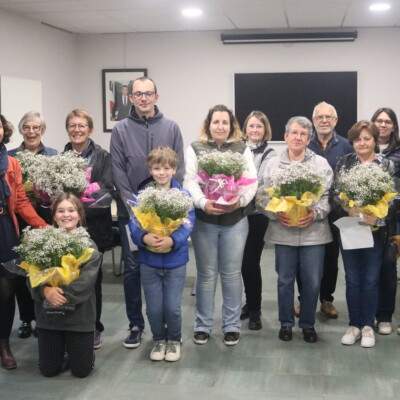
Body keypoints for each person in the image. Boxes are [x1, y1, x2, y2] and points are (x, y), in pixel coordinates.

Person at [110, 76, 184, 349]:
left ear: (156, 96)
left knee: (164, 267)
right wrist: (137, 208)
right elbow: (117, 170)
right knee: (132, 270)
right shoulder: (120, 130)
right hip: (132, 214)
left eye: (148, 93)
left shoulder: (171, 127)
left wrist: (168, 209)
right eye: (138, 94)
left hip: (167, 214)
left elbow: (180, 168)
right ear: (130, 97)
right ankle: (135, 325)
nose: (143, 98)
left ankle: (166, 327)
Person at [183, 104, 257, 346]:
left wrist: (240, 201)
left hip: (235, 220)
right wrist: (203, 203)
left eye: (225, 122)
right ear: (208, 124)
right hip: (205, 220)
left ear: (232, 126)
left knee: (232, 275)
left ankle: (231, 326)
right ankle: (203, 325)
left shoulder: (242, 148)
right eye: (216, 122)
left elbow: (251, 182)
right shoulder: (195, 148)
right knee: (205, 275)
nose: (220, 126)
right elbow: (190, 181)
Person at [257, 116, 333, 343]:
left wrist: (314, 213)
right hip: (283, 231)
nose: (298, 137)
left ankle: (308, 324)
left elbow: (327, 198)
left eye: (303, 134)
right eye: (294, 133)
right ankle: (286, 323)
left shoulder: (320, 164)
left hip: (314, 233)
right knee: (284, 280)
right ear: (286, 135)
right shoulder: (271, 164)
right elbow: (261, 196)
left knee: (312, 281)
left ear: (309, 138)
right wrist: (275, 212)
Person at [331, 121, 397, 348]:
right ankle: (354, 325)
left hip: (375, 231)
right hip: (350, 228)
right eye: (358, 139)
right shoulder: (344, 162)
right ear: (353, 142)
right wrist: (347, 207)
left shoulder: (386, 165)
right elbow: (334, 194)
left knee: (370, 279)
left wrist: (376, 218)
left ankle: (368, 325)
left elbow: (395, 198)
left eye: (367, 138)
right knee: (352, 279)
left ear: (375, 140)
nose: (362, 143)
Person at [129, 147, 195, 362]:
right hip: (149, 260)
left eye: (166, 168)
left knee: (173, 308)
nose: (161, 173)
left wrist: (172, 240)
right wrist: (143, 238)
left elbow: (188, 222)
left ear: (174, 169)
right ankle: (159, 339)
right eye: (156, 168)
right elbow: (134, 221)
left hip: (175, 261)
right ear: (150, 169)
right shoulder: (143, 195)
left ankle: (174, 340)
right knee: (154, 308)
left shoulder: (183, 195)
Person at [29, 193, 101, 377]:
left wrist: (59, 295)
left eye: (71, 210)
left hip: (79, 318)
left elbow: (85, 283)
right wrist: (45, 290)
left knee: (81, 371)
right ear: (53, 216)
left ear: (80, 214)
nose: (66, 215)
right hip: (49, 316)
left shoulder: (89, 245)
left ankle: (82, 352)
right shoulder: (41, 243)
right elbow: (31, 275)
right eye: (60, 211)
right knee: (49, 370)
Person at [295, 102, 354, 320]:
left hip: (337, 212)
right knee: (304, 258)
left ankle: (326, 300)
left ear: (336, 121)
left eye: (328, 117)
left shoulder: (346, 146)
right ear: (313, 121)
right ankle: (304, 299)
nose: (324, 121)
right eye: (319, 117)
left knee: (330, 257)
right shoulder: (305, 144)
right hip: (307, 211)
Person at [0, 114, 47, 370]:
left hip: (5, 229)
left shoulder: (11, 163)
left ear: (3, 131)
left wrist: (44, 226)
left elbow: (19, 202)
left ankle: (4, 344)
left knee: (7, 291)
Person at [64, 109, 113, 349]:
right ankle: (68, 325)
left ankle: (94, 327)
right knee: (66, 277)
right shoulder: (61, 156)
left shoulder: (102, 156)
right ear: (68, 129)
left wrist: (78, 208)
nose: (77, 130)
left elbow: (105, 191)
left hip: (94, 228)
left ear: (90, 130)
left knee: (92, 280)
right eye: (73, 125)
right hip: (66, 229)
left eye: (82, 125)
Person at [8, 111, 58, 340]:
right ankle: (26, 319)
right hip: (16, 223)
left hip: (43, 220)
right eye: (27, 127)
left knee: (44, 270)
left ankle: (42, 318)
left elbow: (58, 191)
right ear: (21, 131)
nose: (31, 132)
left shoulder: (53, 156)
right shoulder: (10, 157)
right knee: (20, 272)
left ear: (42, 130)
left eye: (36, 127)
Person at [240, 111, 276, 330]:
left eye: (259, 127)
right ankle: (247, 303)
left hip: (256, 217)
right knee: (238, 265)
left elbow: (260, 183)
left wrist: (240, 194)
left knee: (250, 263)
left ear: (265, 130)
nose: (254, 130)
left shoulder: (270, 153)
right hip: (235, 216)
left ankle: (255, 310)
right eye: (251, 126)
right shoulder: (236, 149)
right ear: (245, 128)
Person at [371, 108, 400, 335]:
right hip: (366, 219)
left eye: (387, 121)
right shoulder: (362, 147)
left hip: (393, 218)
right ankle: (367, 312)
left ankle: (384, 316)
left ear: (393, 126)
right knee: (368, 267)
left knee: (388, 265)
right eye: (379, 121)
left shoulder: (398, 151)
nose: (383, 125)